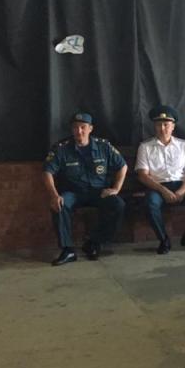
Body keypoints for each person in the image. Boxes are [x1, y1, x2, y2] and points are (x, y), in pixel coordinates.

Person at [42, 112, 127, 265]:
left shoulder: (103, 146)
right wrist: (54, 195)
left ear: (90, 129)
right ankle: (68, 250)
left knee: (118, 205)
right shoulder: (62, 148)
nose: (79, 131)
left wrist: (116, 188)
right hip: (73, 193)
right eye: (75, 127)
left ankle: (94, 242)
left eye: (83, 127)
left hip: (98, 192)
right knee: (59, 205)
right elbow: (47, 172)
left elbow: (122, 166)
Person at [134, 105, 185, 254]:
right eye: (159, 124)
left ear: (173, 126)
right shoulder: (145, 147)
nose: (162, 128)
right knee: (150, 204)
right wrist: (163, 190)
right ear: (154, 126)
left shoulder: (183, 145)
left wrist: (182, 191)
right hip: (157, 187)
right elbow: (142, 175)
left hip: (179, 186)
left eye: (166, 124)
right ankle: (164, 240)